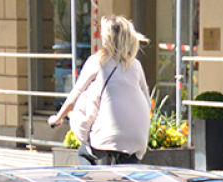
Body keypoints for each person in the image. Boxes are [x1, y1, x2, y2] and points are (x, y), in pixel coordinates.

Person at [48, 16, 150, 165]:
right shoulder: (135, 65)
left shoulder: (98, 61)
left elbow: (75, 94)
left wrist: (58, 117)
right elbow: (146, 101)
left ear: (106, 39)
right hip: (137, 141)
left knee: (84, 153)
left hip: (105, 141)